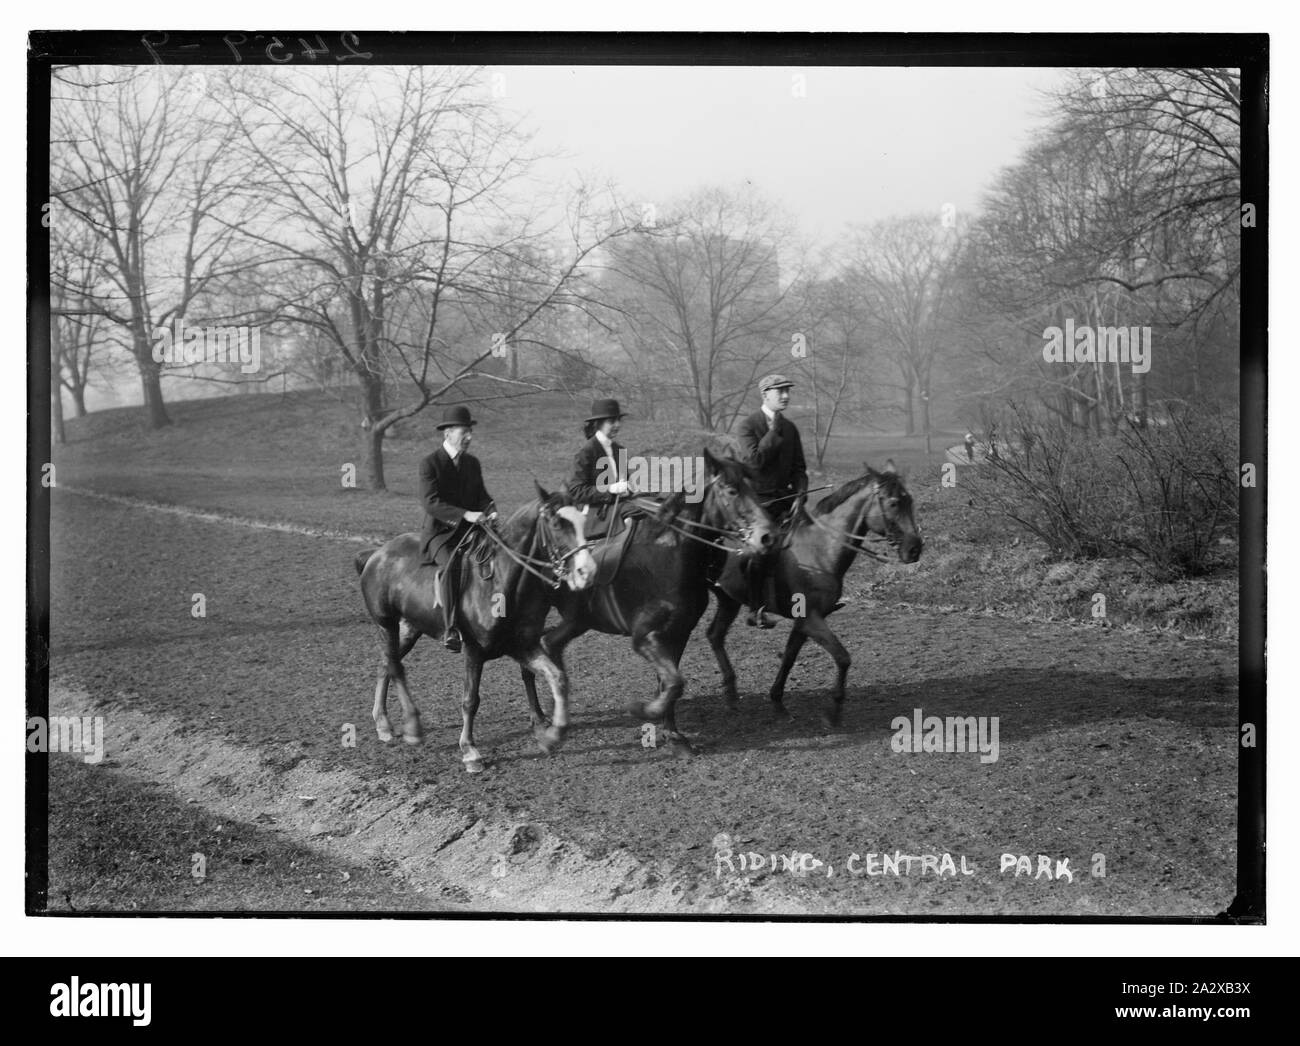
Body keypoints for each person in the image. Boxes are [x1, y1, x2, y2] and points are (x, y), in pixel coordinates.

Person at [419, 404, 496, 652]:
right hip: (441, 533)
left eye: (470, 432)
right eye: (464, 433)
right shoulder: (430, 463)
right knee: (451, 566)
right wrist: (465, 514)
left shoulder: (472, 463)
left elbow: (482, 496)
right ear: (448, 433)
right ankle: (450, 627)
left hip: (472, 530)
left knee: (497, 556)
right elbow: (431, 503)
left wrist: (491, 509)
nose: (469, 437)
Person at [736, 374, 808, 627]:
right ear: (765, 395)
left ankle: (811, 599)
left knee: (815, 539)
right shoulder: (747, 426)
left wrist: (801, 492)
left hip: (788, 500)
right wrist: (774, 431)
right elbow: (754, 462)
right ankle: (757, 609)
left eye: (788, 391)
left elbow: (800, 468)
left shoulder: (791, 429)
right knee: (761, 551)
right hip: (757, 504)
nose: (786, 396)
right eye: (780, 392)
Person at [568, 398, 634, 536]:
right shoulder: (586, 452)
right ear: (599, 424)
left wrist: (629, 487)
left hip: (620, 506)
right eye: (611, 421)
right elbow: (576, 490)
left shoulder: (619, 450)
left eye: (618, 421)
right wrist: (610, 489)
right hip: (595, 513)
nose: (617, 425)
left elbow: (625, 481)